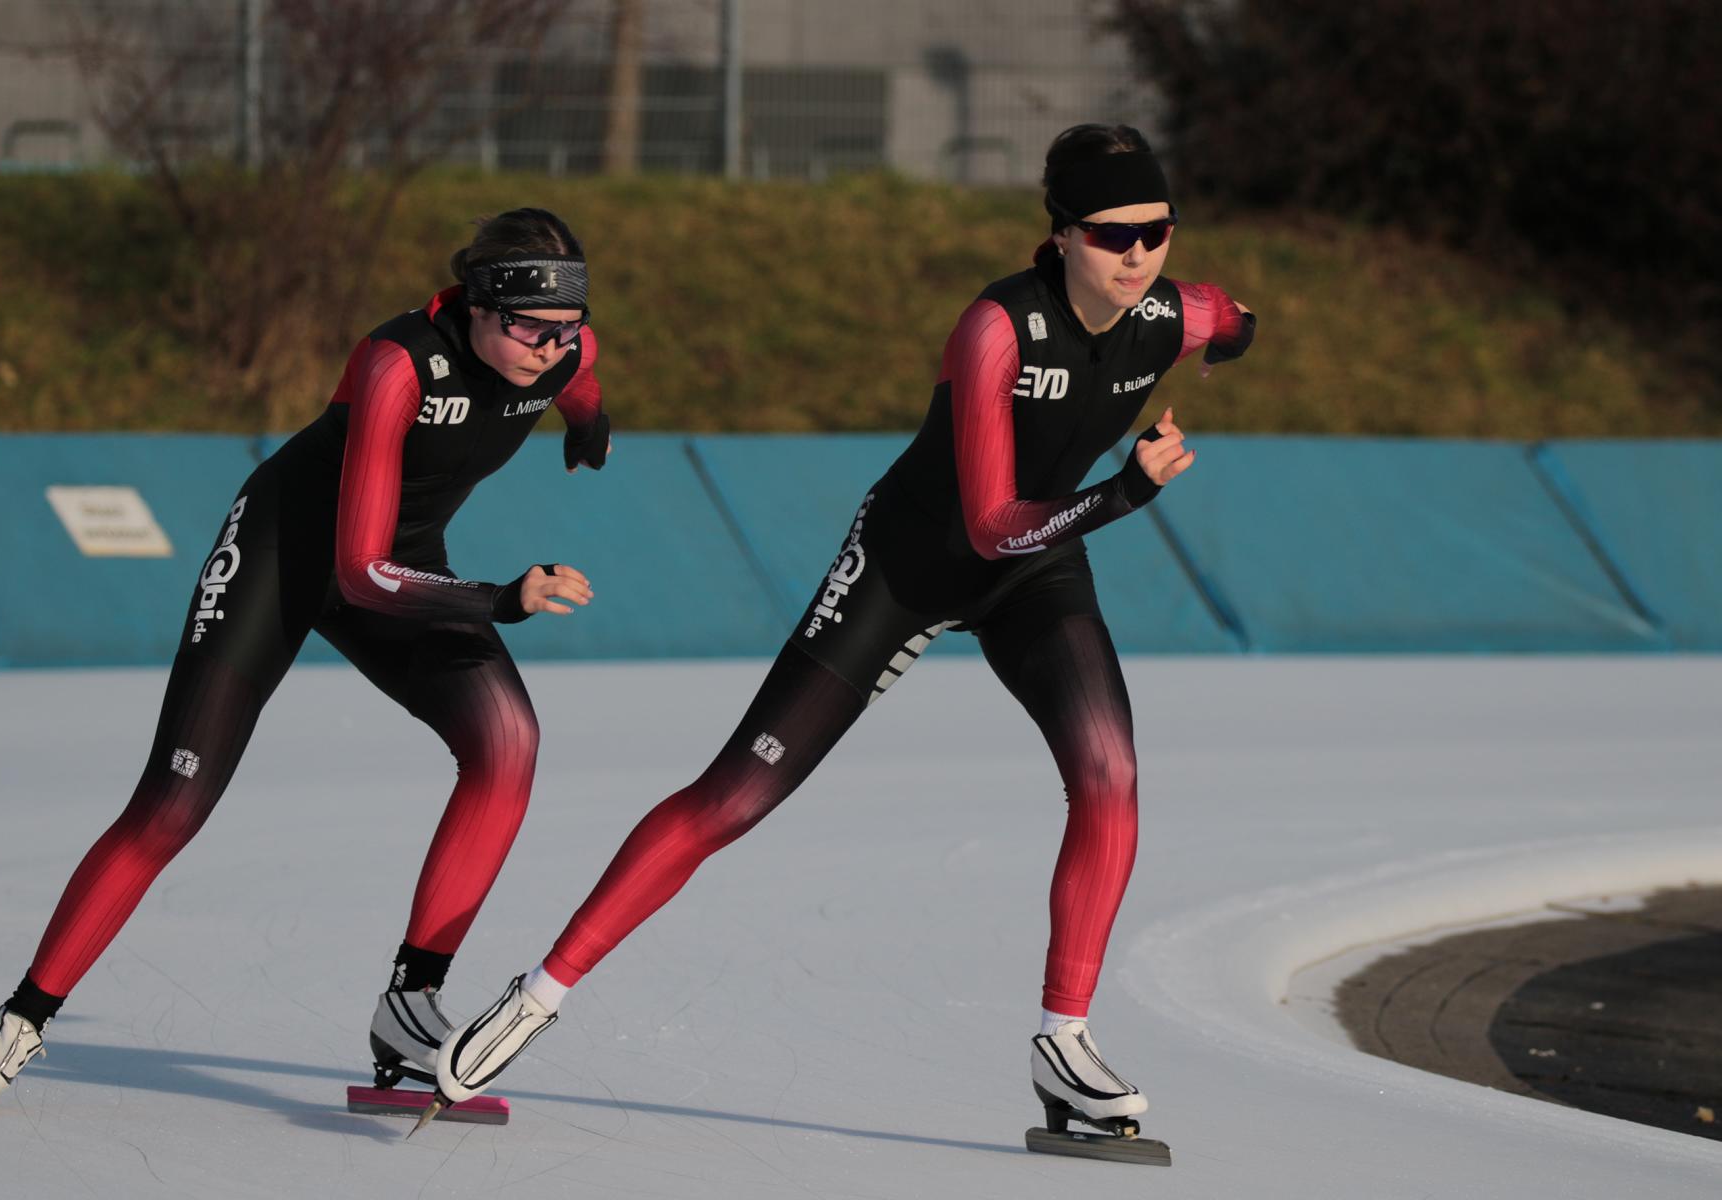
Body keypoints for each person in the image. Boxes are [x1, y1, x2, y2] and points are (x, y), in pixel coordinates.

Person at [427, 124, 1256, 1141]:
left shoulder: (1172, 310)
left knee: (1111, 775)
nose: (1138, 256)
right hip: (913, 564)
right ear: (1060, 234)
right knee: (734, 797)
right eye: (1111, 234)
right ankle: (539, 994)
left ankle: (1064, 1042)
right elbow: (990, 524)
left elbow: (1231, 316)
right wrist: (1123, 494)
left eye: (1157, 232)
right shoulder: (998, 327)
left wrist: (1232, 341)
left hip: (1039, 566)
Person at [0, 207, 613, 1116]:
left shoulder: (561, 348)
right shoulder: (398, 363)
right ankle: (22, 1016)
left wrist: (587, 428)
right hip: (286, 560)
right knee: (173, 804)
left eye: (566, 328)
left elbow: (580, 383)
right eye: (531, 329)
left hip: (403, 564)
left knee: (508, 743)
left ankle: (411, 1002)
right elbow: (359, 574)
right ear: (479, 304)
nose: (550, 348)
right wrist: (499, 600)